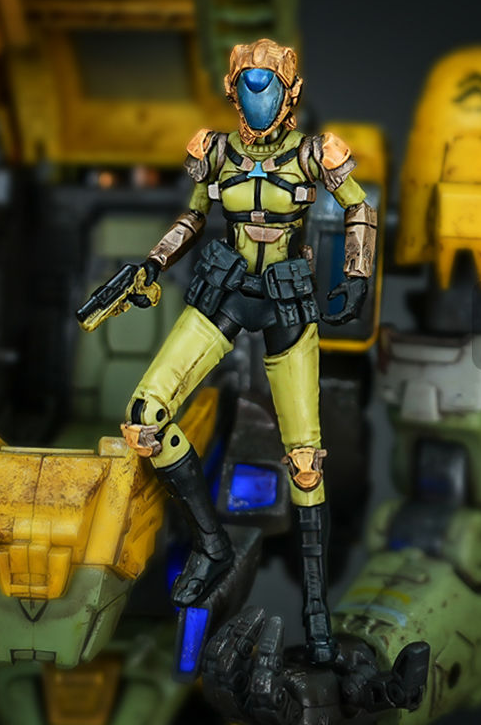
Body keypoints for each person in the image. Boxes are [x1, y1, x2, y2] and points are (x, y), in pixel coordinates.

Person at [119, 38, 377, 664]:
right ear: (234, 91)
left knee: (306, 463)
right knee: (144, 418)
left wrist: (357, 275)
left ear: (290, 93)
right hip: (227, 291)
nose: (258, 98)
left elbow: (359, 207)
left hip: (287, 300)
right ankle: (212, 544)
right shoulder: (213, 151)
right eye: (248, 86)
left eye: (270, 86)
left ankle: (316, 612)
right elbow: (192, 218)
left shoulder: (315, 153)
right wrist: (152, 263)